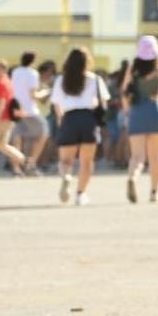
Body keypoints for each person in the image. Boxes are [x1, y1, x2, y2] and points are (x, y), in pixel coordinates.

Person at [48, 47, 108, 205]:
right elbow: (103, 102)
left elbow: (56, 104)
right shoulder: (94, 79)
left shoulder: (61, 80)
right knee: (87, 162)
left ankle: (66, 176)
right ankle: (81, 193)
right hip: (88, 119)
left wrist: (61, 121)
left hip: (69, 118)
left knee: (65, 160)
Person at [122, 36, 158, 203]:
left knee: (137, 156)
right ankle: (154, 191)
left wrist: (127, 112)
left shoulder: (133, 70)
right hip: (154, 112)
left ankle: (133, 177)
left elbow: (124, 92)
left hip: (136, 112)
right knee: (155, 155)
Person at [0, 60, 29, 178]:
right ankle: (26, 161)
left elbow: (2, 102)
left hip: (1, 119)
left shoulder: (1, 84)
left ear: (3, 70)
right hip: (6, 119)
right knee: (2, 145)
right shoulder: (6, 82)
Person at [9, 51, 47, 168]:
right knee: (43, 133)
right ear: (33, 61)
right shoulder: (32, 73)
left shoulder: (16, 71)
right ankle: (31, 163)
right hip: (29, 110)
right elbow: (33, 94)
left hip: (16, 110)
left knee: (17, 139)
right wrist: (44, 92)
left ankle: (16, 167)